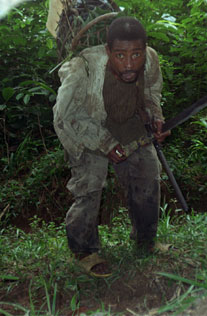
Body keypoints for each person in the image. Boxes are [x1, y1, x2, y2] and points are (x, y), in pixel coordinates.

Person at [53, 16, 170, 277]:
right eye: (120, 55)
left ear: (144, 50)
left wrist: (155, 117)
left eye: (136, 54)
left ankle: (145, 241)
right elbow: (65, 116)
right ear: (108, 51)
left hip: (127, 123)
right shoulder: (83, 68)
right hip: (87, 126)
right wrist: (104, 143)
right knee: (90, 185)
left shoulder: (150, 60)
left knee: (148, 174)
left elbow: (152, 92)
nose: (129, 64)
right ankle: (85, 251)